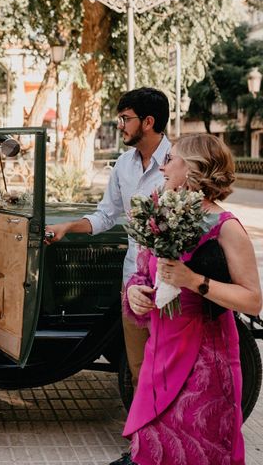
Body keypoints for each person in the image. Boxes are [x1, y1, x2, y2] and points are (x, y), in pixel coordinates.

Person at [115, 134, 262, 465]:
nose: (163, 166)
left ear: (193, 168)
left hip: (205, 368)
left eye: (170, 159)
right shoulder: (163, 216)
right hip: (160, 356)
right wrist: (136, 292)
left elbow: (253, 300)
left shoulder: (227, 228)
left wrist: (194, 281)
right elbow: (144, 273)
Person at [45, 87, 170, 388]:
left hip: (171, 283)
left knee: (172, 364)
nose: (120, 126)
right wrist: (68, 227)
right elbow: (105, 215)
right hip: (134, 280)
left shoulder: (178, 162)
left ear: (148, 122)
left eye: (125, 119)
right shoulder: (123, 165)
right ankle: (148, 432)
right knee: (139, 367)